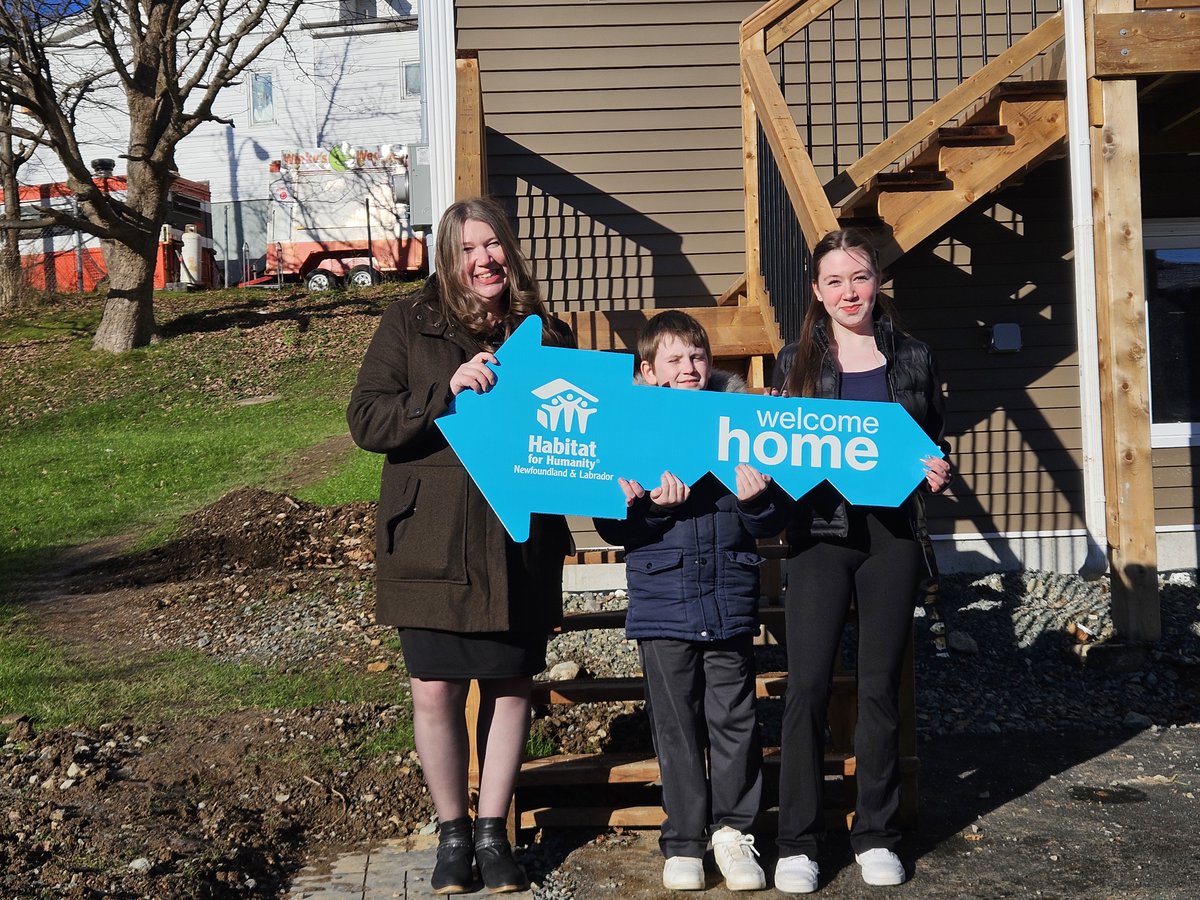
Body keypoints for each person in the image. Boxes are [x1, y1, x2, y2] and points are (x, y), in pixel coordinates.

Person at [347, 196, 574, 895]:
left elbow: (577, 434)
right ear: (449, 257)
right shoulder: (409, 321)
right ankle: (452, 833)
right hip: (431, 537)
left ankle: (492, 832)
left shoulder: (548, 333)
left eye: (495, 245)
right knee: (436, 688)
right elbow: (366, 418)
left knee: (510, 687)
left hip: (517, 540)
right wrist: (442, 392)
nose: (485, 259)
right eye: (470, 248)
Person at [769, 228, 951, 893]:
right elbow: (779, 448)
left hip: (891, 538)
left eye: (861, 277)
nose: (851, 292)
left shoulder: (915, 357)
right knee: (808, 688)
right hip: (818, 536)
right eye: (836, 281)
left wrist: (939, 472)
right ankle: (797, 842)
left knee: (879, 687)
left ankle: (876, 832)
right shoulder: (796, 360)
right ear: (818, 292)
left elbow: (931, 440)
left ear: (878, 283)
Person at [594, 311, 792, 893]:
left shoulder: (743, 424)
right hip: (662, 601)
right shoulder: (627, 429)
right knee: (676, 724)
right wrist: (651, 506)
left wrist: (756, 500)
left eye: (698, 357)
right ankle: (684, 838)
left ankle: (735, 835)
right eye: (675, 359)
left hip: (728, 597)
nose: (689, 368)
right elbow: (612, 527)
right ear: (649, 371)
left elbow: (774, 516)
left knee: (734, 719)